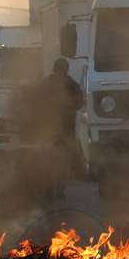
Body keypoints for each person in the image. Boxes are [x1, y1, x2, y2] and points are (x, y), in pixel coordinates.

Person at [39, 58, 84, 196]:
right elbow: (80, 103)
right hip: (65, 129)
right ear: (66, 69)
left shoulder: (46, 83)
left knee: (49, 158)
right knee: (62, 159)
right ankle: (59, 188)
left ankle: (49, 188)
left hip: (49, 129)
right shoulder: (72, 84)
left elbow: (36, 102)